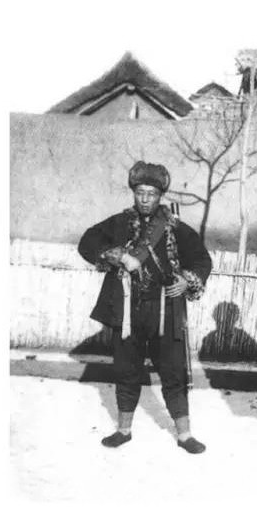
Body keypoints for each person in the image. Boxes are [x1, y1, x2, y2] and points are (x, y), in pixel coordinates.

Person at [78, 161, 212, 454]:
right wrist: (118, 256)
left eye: (151, 194)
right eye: (140, 193)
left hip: (166, 309)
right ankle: (123, 430)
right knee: (126, 370)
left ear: (160, 196)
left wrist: (186, 280)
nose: (145, 199)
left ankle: (185, 434)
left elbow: (202, 260)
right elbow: (87, 242)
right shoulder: (119, 223)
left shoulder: (176, 228)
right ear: (134, 193)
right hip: (128, 310)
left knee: (174, 372)